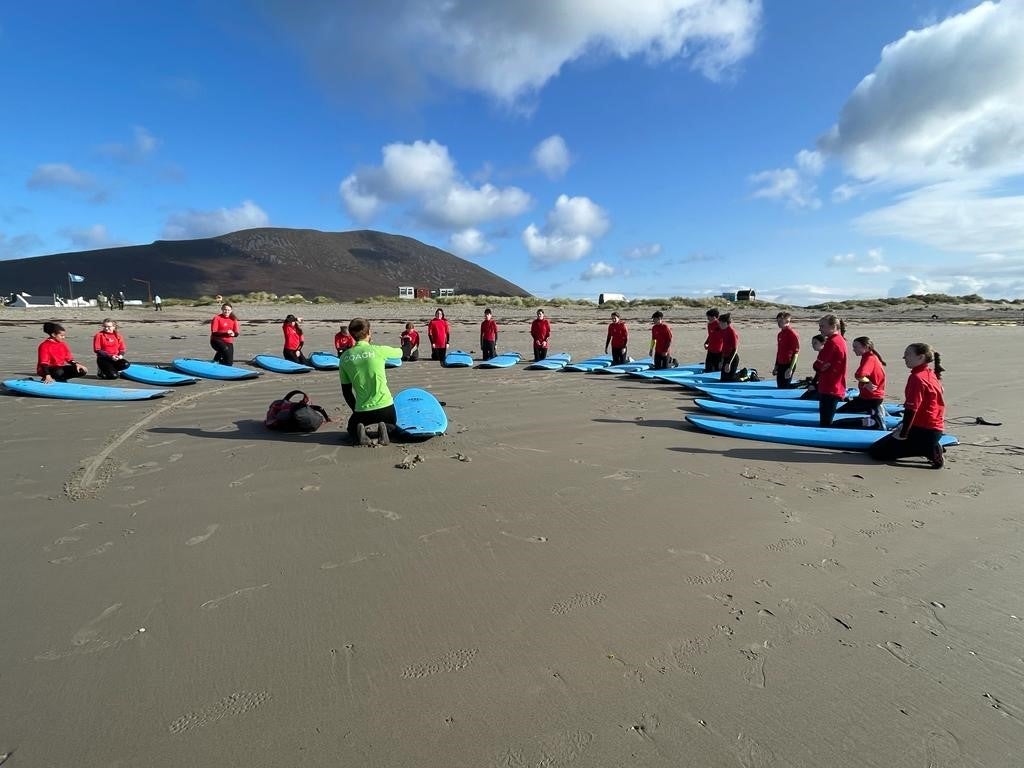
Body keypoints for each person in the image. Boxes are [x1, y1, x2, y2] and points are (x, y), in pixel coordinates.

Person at [869, 343, 946, 468]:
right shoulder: (929, 373)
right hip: (931, 429)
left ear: (920, 357)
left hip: (924, 431)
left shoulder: (917, 378)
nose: (904, 358)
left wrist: (903, 433)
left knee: (876, 452)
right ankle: (927, 446)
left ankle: (928, 450)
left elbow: (911, 409)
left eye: (907, 354)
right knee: (878, 446)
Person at [339, 317, 404, 446]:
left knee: (351, 429)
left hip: (362, 409)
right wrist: (407, 344)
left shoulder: (344, 357)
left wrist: (356, 410)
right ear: (369, 332)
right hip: (385, 407)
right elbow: (402, 352)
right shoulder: (378, 350)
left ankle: (360, 430)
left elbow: (346, 392)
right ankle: (385, 428)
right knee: (393, 426)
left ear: (352, 335)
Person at [836, 336, 887, 429]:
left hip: (871, 398)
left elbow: (859, 375)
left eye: (856, 347)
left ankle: (875, 420)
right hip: (870, 397)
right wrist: (867, 383)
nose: (853, 349)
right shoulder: (869, 356)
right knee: (842, 410)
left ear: (866, 347)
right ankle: (875, 410)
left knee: (839, 415)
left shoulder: (869, 358)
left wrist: (867, 382)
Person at [813, 314, 848, 426]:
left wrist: (818, 366)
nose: (819, 329)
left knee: (825, 422)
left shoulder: (832, 342)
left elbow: (818, 365)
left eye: (822, 326)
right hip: (835, 385)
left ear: (833, 326)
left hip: (830, 387)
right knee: (827, 419)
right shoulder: (840, 339)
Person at [773, 312, 800, 388]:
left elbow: (796, 353)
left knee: (785, 387)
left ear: (787, 321)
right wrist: (776, 366)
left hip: (788, 364)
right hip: (781, 363)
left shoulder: (792, 334)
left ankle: (802, 385)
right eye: (778, 321)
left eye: (781, 321)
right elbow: (779, 351)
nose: (779, 323)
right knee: (780, 386)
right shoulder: (780, 334)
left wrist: (790, 369)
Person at [798, 334, 827, 399]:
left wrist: (815, 386)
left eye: (815, 343)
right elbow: (818, 373)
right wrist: (813, 384)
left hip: (826, 386)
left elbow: (824, 374)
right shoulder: (820, 354)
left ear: (823, 343)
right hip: (820, 383)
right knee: (804, 397)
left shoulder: (826, 355)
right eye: (812, 343)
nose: (813, 345)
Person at [718, 313, 740, 381]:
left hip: (732, 358)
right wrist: (721, 360)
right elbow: (724, 347)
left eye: (721, 323)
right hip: (726, 357)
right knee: (723, 379)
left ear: (726, 323)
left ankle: (746, 376)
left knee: (730, 380)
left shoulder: (732, 332)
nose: (719, 324)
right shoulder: (723, 330)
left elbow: (735, 349)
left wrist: (728, 363)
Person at [703, 308, 723, 373]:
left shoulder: (721, 325)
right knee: (708, 369)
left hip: (719, 351)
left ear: (714, 317)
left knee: (717, 370)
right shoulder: (709, 325)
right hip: (710, 349)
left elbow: (725, 337)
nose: (707, 318)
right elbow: (710, 335)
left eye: (708, 317)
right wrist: (706, 342)